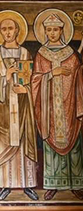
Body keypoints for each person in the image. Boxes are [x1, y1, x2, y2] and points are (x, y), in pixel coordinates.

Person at [31, 11, 83, 200]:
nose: (52, 33)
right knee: (51, 143)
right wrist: (53, 73)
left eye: (56, 29)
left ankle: (76, 183)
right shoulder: (41, 54)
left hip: (69, 105)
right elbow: (35, 80)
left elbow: (79, 77)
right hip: (50, 107)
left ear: (62, 31)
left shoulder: (71, 54)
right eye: (49, 30)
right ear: (44, 32)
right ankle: (52, 184)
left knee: (75, 143)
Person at [0, 14, 38, 201]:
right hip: (4, 111)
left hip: (23, 109)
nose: (7, 32)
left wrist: (26, 89)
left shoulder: (25, 53)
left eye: (11, 28)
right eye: (4, 29)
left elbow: (33, 81)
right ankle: (5, 185)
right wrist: (6, 77)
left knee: (24, 144)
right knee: (5, 145)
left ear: (17, 31)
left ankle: (28, 185)